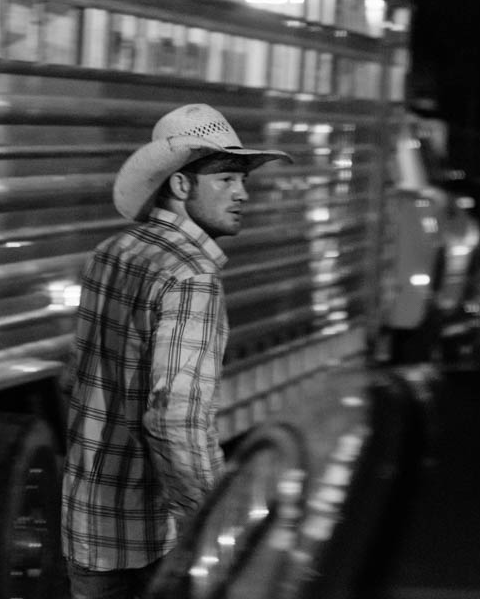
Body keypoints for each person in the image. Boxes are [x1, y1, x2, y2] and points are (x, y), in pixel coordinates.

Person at [60, 103, 291, 599]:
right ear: (181, 187)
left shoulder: (110, 253)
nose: (243, 193)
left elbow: (78, 379)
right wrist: (212, 526)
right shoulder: (192, 279)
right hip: (150, 542)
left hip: (88, 525)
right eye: (227, 178)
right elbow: (176, 421)